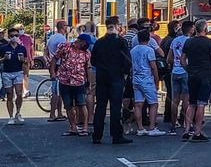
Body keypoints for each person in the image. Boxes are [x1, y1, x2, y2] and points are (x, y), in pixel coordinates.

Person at [91, 17, 132, 145]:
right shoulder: (120, 41)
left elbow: (93, 61)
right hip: (116, 77)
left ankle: (97, 135)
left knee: (101, 106)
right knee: (115, 107)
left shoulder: (99, 42)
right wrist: (125, 74)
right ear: (115, 25)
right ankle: (116, 135)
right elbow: (127, 61)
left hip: (102, 77)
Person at [181, 19, 211, 142]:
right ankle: (197, 131)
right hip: (205, 75)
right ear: (205, 29)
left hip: (192, 75)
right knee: (201, 103)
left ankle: (186, 130)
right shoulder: (210, 42)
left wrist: (188, 70)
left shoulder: (188, 42)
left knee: (191, 103)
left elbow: (182, 60)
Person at [52, 33, 93, 136]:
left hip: (79, 81)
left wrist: (90, 82)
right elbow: (55, 58)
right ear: (81, 41)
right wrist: (52, 72)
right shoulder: (65, 47)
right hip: (65, 80)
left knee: (81, 104)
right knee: (68, 105)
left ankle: (84, 128)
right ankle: (73, 127)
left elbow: (88, 68)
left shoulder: (86, 53)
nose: (87, 45)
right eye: (86, 43)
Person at [130, 29, 165, 136]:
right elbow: (153, 66)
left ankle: (140, 128)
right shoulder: (149, 50)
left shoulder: (133, 50)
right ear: (149, 39)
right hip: (147, 78)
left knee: (138, 103)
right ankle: (152, 127)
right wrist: (156, 80)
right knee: (153, 103)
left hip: (136, 78)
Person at [166, 20, 194, 135]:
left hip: (175, 71)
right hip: (186, 71)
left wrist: (175, 63)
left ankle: (173, 126)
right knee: (187, 100)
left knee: (175, 100)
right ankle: (187, 125)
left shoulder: (175, 40)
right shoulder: (191, 41)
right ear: (191, 29)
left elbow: (169, 58)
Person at [1, 27, 30, 125]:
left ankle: (18, 112)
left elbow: (26, 61)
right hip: (6, 73)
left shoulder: (22, 48)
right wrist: (3, 59)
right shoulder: (3, 48)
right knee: (9, 95)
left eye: (16, 35)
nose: (14, 37)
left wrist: (23, 61)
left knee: (19, 93)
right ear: (9, 36)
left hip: (18, 72)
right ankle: (11, 116)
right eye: (12, 35)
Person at [45, 20, 69, 122]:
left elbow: (45, 50)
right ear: (62, 27)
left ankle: (59, 113)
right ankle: (52, 114)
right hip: (59, 65)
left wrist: (47, 60)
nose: (67, 28)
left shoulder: (52, 37)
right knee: (56, 91)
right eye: (66, 26)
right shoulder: (61, 38)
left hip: (53, 65)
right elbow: (65, 52)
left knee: (59, 91)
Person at [160, 20, 180, 126]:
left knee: (170, 93)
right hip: (171, 69)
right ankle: (170, 116)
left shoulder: (165, 39)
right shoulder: (172, 41)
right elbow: (169, 57)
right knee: (173, 94)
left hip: (166, 69)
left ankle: (168, 114)